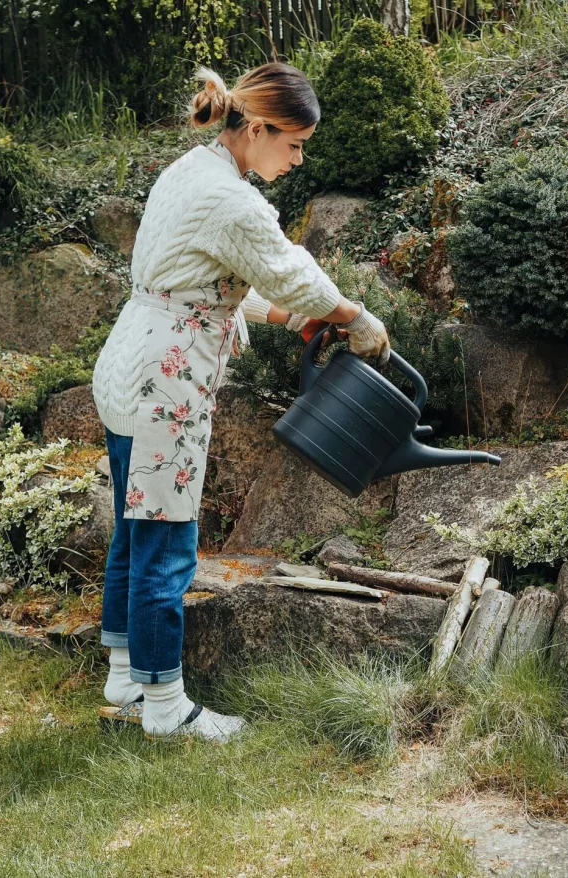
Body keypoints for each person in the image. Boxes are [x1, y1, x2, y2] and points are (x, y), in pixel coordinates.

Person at [91, 63, 391, 742]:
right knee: (166, 541)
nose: (298, 158)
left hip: (129, 367)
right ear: (256, 128)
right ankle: (166, 710)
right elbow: (290, 272)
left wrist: (293, 320)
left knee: (133, 531)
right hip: (163, 383)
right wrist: (354, 317)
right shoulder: (234, 201)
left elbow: (214, 280)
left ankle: (124, 676)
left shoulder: (192, 173)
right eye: (293, 144)